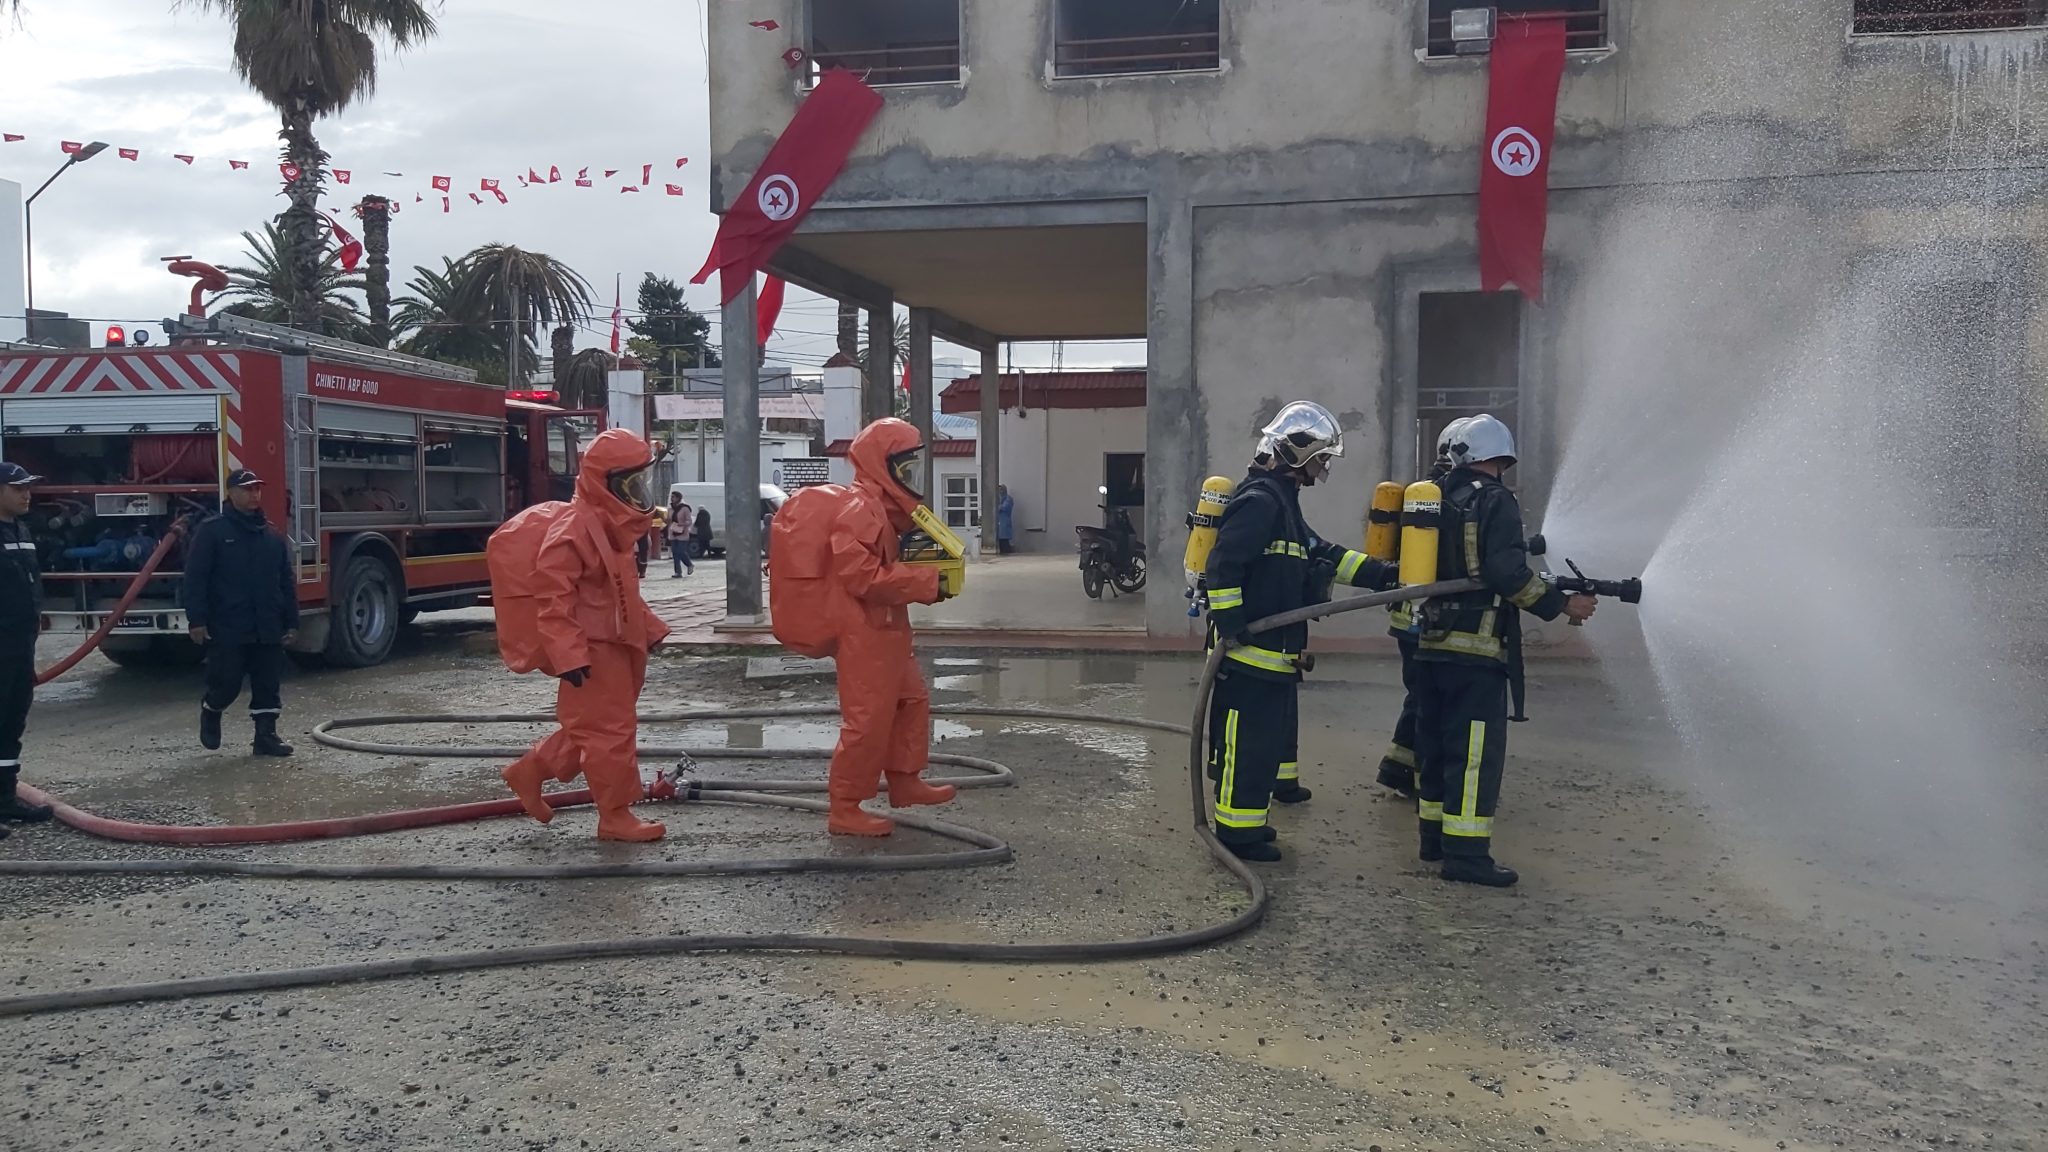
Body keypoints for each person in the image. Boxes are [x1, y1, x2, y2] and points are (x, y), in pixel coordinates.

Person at [1203, 402, 1400, 862]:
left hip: (1272, 655)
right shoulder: (1259, 503)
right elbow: (1223, 567)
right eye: (1321, 458)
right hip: (1249, 656)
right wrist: (1233, 627)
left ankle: (1249, 825)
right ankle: (1236, 836)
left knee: (1261, 749)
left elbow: (1322, 553)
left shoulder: (1282, 504)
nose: (1323, 467)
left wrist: (1383, 575)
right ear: (1297, 452)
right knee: (1246, 748)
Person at [1409, 415, 1596, 887]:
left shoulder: (1436, 498)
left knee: (1435, 748)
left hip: (1429, 646)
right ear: (1502, 458)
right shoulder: (1496, 501)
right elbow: (1506, 573)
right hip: (1475, 653)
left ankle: (1434, 842)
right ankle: (1467, 856)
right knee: (1474, 754)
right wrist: (1561, 604)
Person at [766, 418, 952, 837]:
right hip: (864, 632)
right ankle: (845, 806)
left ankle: (905, 780)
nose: (912, 479)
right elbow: (861, 576)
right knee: (868, 720)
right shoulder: (861, 510)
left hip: (886, 628)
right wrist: (926, 583)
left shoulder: (878, 510)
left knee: (911, 702)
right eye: (906, 469)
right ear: (883, 466)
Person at [492, 429, 672, 842]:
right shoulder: (575, 529)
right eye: (630, 483)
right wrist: (568, 653)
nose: (638, 492)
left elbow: (620, 592)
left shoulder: (612, 528)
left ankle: (529, 772)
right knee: (611, 731)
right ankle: (615, 816)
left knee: (593, 725)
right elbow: (552, 596)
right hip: (592, 649)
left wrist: (648, 629)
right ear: (605, 483)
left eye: (640, 482)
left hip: (618, 644)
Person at [1375, 417, 1472, 799]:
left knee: (1419, 695)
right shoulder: (1453, 497)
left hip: (1406, 616)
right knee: (1430, 701)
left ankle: (1397, 767)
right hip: (1429, 618)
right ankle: (1419, 778)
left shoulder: (1422, 493)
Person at [183, 469, 299, 757]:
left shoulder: (272, 536)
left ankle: (265, 737)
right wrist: (197, 619)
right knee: (227, 682)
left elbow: (286, 582)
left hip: (267, 625)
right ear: (231, 493)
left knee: (268, 683)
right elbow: (196, 578)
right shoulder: (212, 532)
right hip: (229, 625)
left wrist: (292, 622)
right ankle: (211, 710)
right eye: (247, 489)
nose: (254, 495)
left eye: (257, 489)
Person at [0, 462, 54, 835]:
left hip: (20, 647)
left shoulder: (20, 530)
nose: (27, 494)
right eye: (18, 488)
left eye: (28, 487)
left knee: (11, 723)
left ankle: (5, 799)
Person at [667, 494, 695, 576]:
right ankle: (678, 572)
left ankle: (689, 564)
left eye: (673, 497)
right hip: (673, 532)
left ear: (678, 498)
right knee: (675, 553)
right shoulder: (670, 509)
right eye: (671, 497)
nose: (672, 499)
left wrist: (682, 524)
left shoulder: (685, 508)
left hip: (682, 533)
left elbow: (689, 521)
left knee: (680, 551)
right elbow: (669, 520)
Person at [995, 485, 1015, 554]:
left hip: (1005, 522)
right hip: (1000, 523)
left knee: (1004, 541)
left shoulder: (1008, 499)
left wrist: (997, 506)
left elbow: (1004, 507)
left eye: (1000, 490)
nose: (999, 492)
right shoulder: (999, 499)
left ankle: (1007, 552)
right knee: (1001, 541)